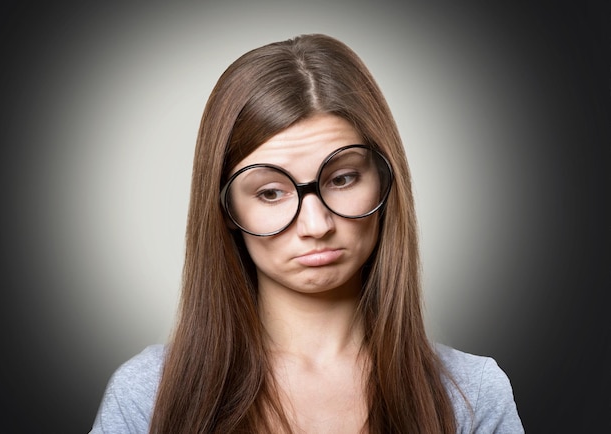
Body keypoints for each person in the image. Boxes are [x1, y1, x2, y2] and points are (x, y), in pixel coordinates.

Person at [90, 34, 523, 433]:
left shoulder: (472, 395)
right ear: (224, 208)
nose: (316, 226)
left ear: (385, 180)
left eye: (342, 179)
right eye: (270, 192)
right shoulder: (148, 396)